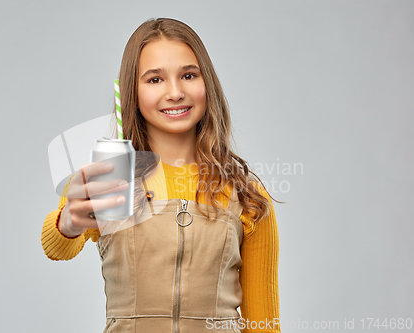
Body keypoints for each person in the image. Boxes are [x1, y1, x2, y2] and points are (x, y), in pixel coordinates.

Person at [41, 18, 281, 333]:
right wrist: (68, 224)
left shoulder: (245, 195)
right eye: (155, 80)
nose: (175, 92)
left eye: (189, 75)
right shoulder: (109, 178)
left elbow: (263, 324)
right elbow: (57, 248)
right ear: (132, 92)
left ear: (206, 83)